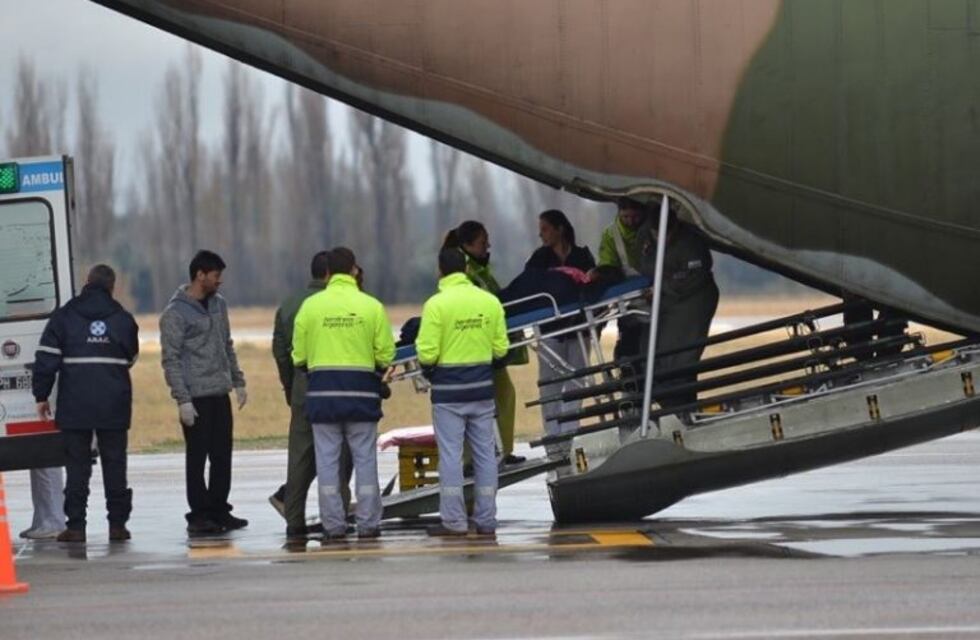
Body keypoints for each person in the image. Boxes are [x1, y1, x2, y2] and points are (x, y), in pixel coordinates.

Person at [292, 247, 395, 541]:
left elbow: (298, 356)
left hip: (323, 398)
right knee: (365, 462)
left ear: (327, 273)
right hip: (362, 397)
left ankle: (333, 525)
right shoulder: (371, 306)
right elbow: (386, 354)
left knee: (327, 463)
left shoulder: (310, 307)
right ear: (353, 270)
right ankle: (368, 523)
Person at [32, 264, 139, 543]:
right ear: (111, 287)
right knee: (115, 466)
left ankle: (76, 527)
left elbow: (46, 358)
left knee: (77, 467)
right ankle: (117, 526)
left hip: (75, 405)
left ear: (87, 282)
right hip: (113, 404)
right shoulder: (123, 319)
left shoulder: (64, 316)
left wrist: (41, 396)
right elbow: (130, 358)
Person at [417, 248, 509, 536]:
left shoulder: (436, 305)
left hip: (448, 394)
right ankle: (487, 520)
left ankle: (454, 522)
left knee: (451, 457)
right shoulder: (489, 301)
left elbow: (427, 354)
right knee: (485, 456)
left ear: (440, 270)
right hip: (481, 391)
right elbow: (501, 349)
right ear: (467, 269)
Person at [160, 250, 248, 535]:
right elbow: (170, 358)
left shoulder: (218, 305)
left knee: (222, 455)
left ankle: (219, 509)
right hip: (195, 397)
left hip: (219, 391)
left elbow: (227, 344)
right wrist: (182, 399)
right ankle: (199, 515)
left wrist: (238, 380)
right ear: (200, 275)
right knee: (198, 457)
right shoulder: (175, 314)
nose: (219, 282)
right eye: (216, 276)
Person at [269, 251, 353, 538]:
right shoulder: (333, 303)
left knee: (300, 457)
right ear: (331, 273)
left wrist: (290, 386)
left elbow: (280, 350)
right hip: (333, 385)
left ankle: (294, 520)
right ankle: (339, 515)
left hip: (302, 387)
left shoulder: (289, 304)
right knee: (338, 456)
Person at [442, 221, 524, 465]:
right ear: (466, 246)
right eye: (482, 242)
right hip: (477, 347)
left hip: (483, 345)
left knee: (502, 396)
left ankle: (498, 451)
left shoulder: (479, 270)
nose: (488, 246)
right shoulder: (471, 274)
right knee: (477, 404)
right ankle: (476, 458)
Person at [524, 210, 596, 457]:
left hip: (578, 329)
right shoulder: (539, 259)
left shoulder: (582, 255)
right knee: (550, 387)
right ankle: (553, 439)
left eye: (545, 229)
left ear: (560, 229)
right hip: (550, 330)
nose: (540, 234)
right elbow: (526, 287)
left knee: (577, 383)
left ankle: (570, 436)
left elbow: (594, 287)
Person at [636, 203, 719, 408]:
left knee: (680, 357)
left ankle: (680, 405)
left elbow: (695, 275)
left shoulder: (690, 243)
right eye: (656, 233)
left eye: (666, 234)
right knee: (651, 353)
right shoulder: (646, 235)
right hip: (664, 303)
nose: (661, 238)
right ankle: (667, 402)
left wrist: (662, 286)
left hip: (692, 301)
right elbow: (644, 263)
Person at [593, 198, 649, 361]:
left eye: (635, 217)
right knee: (628, 349)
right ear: (619, 213)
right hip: (628, 301)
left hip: (655, 295)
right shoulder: (611, 235)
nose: (631, 222)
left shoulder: (652, 231)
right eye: (626, 217)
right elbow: (607, 266)